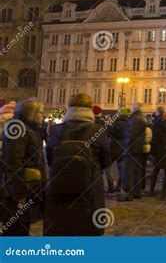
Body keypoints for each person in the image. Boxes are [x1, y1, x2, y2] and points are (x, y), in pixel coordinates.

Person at [44, 94, 111, 236]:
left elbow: (49, 159)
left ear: (69, 107)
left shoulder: (56, 130)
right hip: (90, 188)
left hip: (59, 187)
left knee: (60, 228)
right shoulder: (99, 130)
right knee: (89, 229)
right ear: (90, 109)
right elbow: (106, 161)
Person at [0, 100, 46, 236]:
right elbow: (13, 162)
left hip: (28, 188)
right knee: (16, 229)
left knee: (21, 227)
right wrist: (19, 192)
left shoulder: (30, 129)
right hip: (19, 191)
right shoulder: (18, 129)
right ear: (32, 114)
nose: (43, 116)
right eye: (41, 113)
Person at [120, 102, 147, 201]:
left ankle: (128, 194)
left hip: (132, 148)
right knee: (137, 171)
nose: (130, 109)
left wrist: (127, 147)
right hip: (138, 148)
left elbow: (131, 135)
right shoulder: (141, 117)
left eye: (131, 107)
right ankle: (137, 192)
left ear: (135, 108)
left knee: (129, 171)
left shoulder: (135, 119)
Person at [105, 108, 130, 193]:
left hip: (114, 148)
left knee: (106, 168)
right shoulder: (130, 124)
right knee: (121, 169)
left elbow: (109, 134)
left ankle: (111, 185)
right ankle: (119, 186)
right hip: (124, 149)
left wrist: (108, 126)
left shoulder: (117, 123)